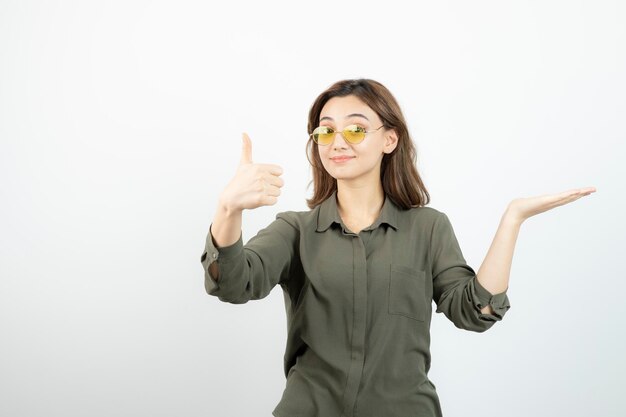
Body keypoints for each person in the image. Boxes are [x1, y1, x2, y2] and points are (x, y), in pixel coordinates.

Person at [200, 78, 596, 417]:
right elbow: (232, 283)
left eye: (355, 129)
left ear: (390, 139)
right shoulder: (296, 230)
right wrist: (228, 207)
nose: (337, 141)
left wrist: (513, 218)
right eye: (325, 130)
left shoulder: (427, 227)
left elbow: (476, 311)